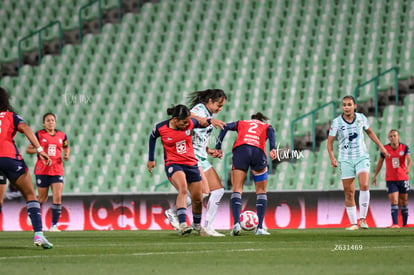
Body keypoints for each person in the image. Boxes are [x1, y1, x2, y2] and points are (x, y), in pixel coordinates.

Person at [164, 89, 227, 237]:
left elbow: (196, 134)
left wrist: (209, 150)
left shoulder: (207, 113)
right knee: (203, 192)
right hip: (192, 157)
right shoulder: (199, 109)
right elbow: (189, 116)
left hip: (201, 156)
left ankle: (208, 226)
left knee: (218, 190)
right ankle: (173, 213)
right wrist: (209, 121)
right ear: (210, 101)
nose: (220, 109)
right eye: (219, 105)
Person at [0, 86, 53, 248]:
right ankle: (38, 235)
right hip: (10, 158)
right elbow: (25, 128)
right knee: (30, 194)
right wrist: (39, 149)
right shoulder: (11, 116)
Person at [147, 104, 212, 236]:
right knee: (182, 189)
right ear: (175, 119)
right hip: (174, 163)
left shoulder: (190, 123)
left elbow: (203, 122)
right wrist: (151, 159)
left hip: (191, 164)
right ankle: (182, 225)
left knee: (198, 198)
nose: (187, 124)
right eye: (184, 122)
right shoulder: (161, 127)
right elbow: (152, 137)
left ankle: (198, 225)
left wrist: (211, 121)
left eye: (188, 121)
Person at [327, 95, 390, 230]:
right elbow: (330, 142)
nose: (347, 107)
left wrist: (381, 146)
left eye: (349, 104)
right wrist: (332, 157)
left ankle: (363, 219)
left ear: (354, 106)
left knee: (364, 184)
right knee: (349, 192)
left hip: (361, 157)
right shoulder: (337, 122)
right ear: (342, 107)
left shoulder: (361, 118)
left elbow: (370, 132)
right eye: (344, 105)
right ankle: (353, 224)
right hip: (345, 159)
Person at [215, 112, 277, 236]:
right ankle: (259, 228)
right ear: (261, 120)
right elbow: (271, 131)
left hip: (241, 150)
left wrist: (218, 146)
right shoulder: (265, 125)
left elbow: (226, 126)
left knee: (237, 189)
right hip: (258, 152)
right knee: (261, 191)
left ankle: (236, 224)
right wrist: (273, 148)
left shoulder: (242, 123)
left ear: (252, 119)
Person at [26, 112, 70, 232]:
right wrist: (39, 150)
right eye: (48, 120)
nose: (51, 122)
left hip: (57, 169)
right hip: (43, 169)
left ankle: (54, 225)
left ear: (55, 122)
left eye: (52, 120)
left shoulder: (62, 135)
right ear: (43, 123)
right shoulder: (39, 135)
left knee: (57, 197)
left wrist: (66, 154)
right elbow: (28, 149)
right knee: (42, 198)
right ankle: (32, 213)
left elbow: (66, 146)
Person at [373, 129, 411, 228]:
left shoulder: (404, 147)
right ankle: (395, 224)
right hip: (391, 179)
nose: (393, 138)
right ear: (388, 138)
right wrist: (376, 175)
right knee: (394, 201)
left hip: (403, 178)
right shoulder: (385, 149)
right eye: (391, 136)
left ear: (398, 137)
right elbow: (380, 162)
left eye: (395, 136)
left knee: (404, 201)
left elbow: (409, 159)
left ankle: (405, 224)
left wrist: (408, 167)